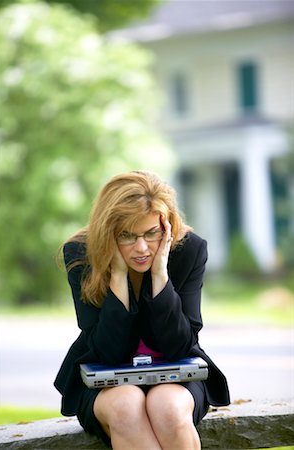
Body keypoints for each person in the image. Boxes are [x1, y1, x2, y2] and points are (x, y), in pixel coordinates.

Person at [54, 170, 230, 450]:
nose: (141, 248)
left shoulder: (188, 250)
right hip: (105, 385)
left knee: (168, 409)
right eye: (126, 236)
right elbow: (107, 352)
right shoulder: (80, 254)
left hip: (177, 376)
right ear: (107, 232)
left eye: (152, 234)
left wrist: (161, 277)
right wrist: (118, 279)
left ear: (167, 228)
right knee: (126, 407)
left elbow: (180, 345)